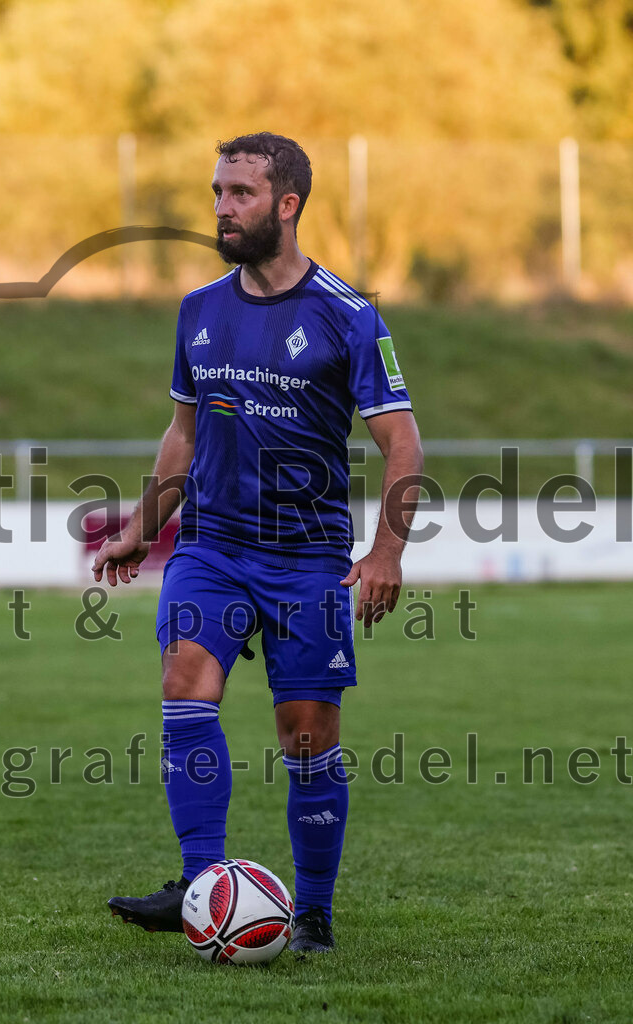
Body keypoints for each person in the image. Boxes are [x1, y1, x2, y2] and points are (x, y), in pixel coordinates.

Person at [92, 132, 423, 956]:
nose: (221, 208)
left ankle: (313, 914)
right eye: (216, 191)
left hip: (306, 558)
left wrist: (386, 552)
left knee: (306, 738)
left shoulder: (348, 316)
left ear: (287, 205)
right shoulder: (199, 309)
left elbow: (404, 445)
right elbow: (182, 431)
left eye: (240, 193)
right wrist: (144, 525)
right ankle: (202, 884)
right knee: (184, 684)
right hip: (212, 546)